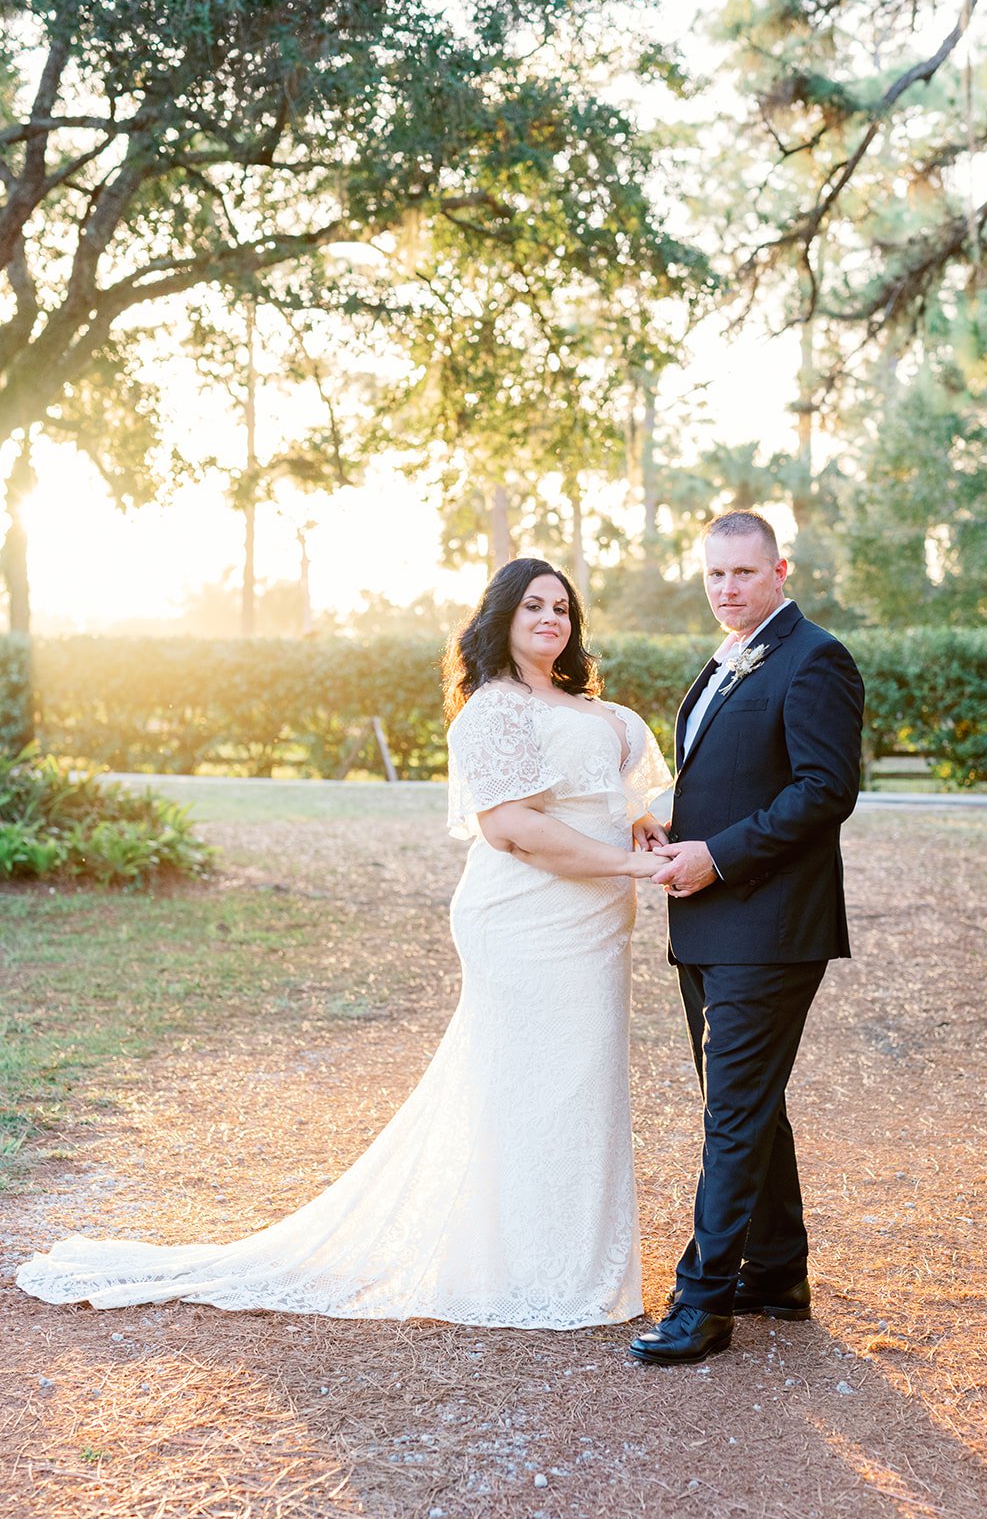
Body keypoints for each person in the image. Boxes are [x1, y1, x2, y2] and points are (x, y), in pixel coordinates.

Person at [16, 558, 672, 1331]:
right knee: (530, 1083)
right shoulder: (494, 711)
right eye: (532, 605)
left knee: (583, 1079)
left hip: (596, 923)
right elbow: (514, 829)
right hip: (526, 918)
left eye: (562, 607)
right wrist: (631, 862)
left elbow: (615, 793)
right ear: (501, 617)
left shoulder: (595, 709)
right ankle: (521, 1268)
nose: (550, 618)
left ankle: (574, 1258)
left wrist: (639, 828)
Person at [628, 511, 864, 1366]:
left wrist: (718, 858)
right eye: (714, 576)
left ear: (779, 570)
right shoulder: (725, 661)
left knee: (730, 1114)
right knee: (748, 1107)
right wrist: (671, 832)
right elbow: (727, 777)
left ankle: (704, 1304)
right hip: (709, 922)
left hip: (767, 927)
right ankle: (775, 1273)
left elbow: (824, 790)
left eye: (742, 573)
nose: (727, 589)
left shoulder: (815, 657)